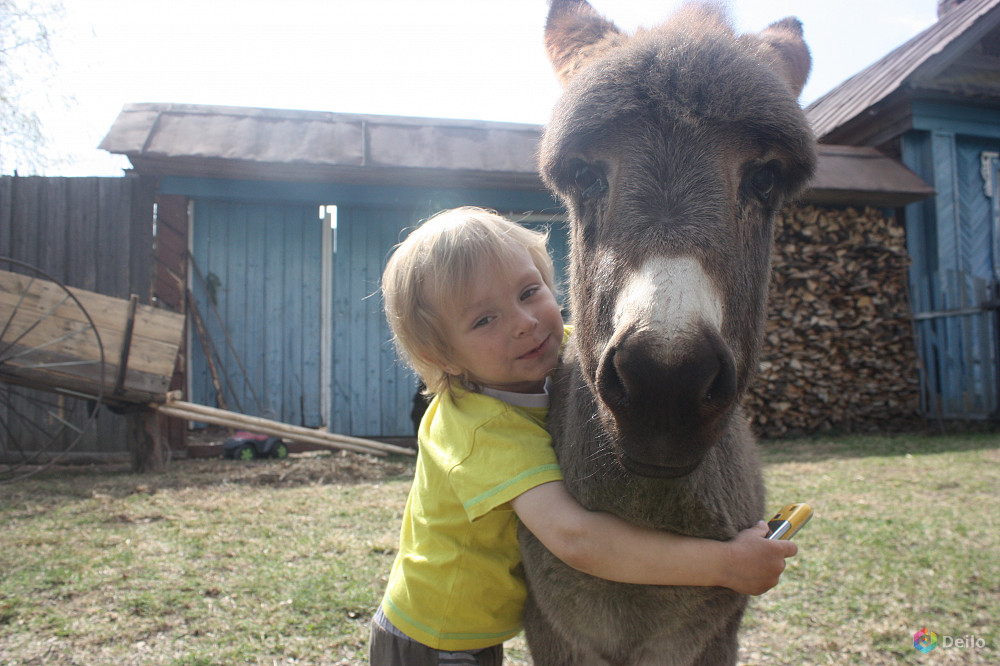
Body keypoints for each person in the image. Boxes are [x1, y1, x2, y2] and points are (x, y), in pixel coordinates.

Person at [370, 207, 797, 666]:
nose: (524, 322)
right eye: (484, 321)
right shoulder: (479, 428)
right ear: (443, 356)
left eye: (529, 292)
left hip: (473, 630)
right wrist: (726, 565)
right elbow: (575, 539)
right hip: (434, 639)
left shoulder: (540, 360)